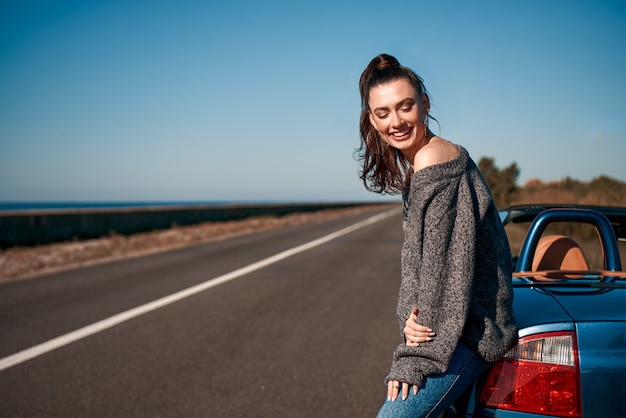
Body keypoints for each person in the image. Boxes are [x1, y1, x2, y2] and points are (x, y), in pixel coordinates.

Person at [357, 53, 517, 418]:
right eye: (383, 113)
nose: (396, 121)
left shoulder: (435, 163)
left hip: (473, 329)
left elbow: (446, 273)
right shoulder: (420, 163)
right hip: (449, 324)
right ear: (372, 119)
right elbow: (419, 261)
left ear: (424, 104)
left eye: (405, 107)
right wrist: (408, 317)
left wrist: (414, 359)